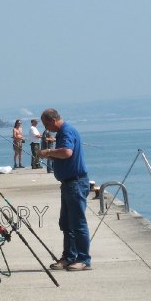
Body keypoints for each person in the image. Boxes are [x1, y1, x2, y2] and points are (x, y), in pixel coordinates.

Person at [38, 108, 91, 271]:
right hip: (68, 184)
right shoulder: (61, 133)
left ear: (52, 120)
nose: (47, 129)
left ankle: (84, 259)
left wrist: (48, 151)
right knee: (66, 223)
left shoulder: (66, 131)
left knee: (78, 223)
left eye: (47, 125)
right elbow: (64, 154)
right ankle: (69, 257)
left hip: (75, 183)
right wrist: (51, 155)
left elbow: (67, 152)